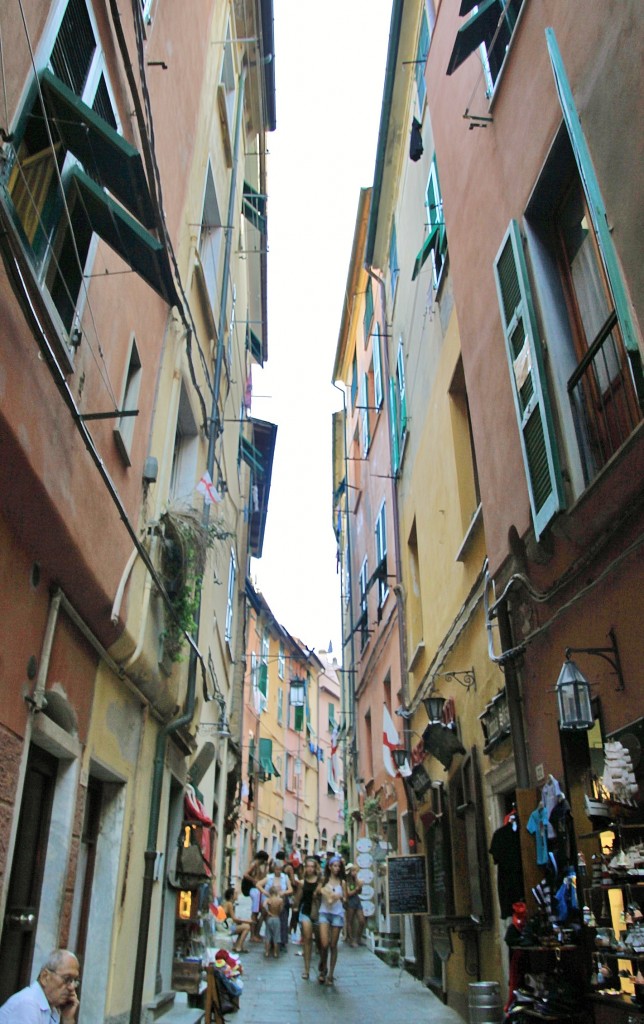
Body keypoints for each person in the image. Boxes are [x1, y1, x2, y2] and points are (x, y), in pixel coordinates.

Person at [0, 948, 80, 1023]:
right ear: (45, 977)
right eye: (67, 979)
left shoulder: (51, 1009)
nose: (72, 987)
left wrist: (68, 1019)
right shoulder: (28, 1004)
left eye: (75, 980)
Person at [316, 856, 346, 985]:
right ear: (329, 867)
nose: (337, 868)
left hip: (337, 914)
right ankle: (323, 967)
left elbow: (346, 900)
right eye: (334, 866)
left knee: (333, 945)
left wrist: (340, 897)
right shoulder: (324, 880)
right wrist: (323, 892)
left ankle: (331, 974)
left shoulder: (342, 882)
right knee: (324, 943)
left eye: (339, 866)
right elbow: (316, 893)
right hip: (324, 912)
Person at [257, 858, 293, 951]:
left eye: (280, 869)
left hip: (282, 902)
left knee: (283, 922)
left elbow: (290, 889)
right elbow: (258, 884)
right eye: (277, 869)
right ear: (274, 868)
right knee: (271, 922)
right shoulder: (269, 877)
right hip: (271, 903)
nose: (278, 871)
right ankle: (271, 942)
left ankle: (282, 942)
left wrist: (284, 892)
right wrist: (266, 893)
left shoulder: (285, 877)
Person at [297, 855, 322, 980]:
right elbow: (298, 898)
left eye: (312, 866)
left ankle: (322, 967)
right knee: (307, 939)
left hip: (318, 913)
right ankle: (306, 969)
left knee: (321, 942)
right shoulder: (302, 882)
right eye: (308, 866)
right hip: (305, 911)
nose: (310, 869)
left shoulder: (320, 881)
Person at [242, 849, 269, 941]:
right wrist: (254, 880)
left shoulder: (263, 865)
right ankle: (253, 935)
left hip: (259, 890)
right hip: (255, 890)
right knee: (255, 912)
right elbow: (245, 874)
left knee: (261, 912)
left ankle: (256, 933)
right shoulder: (255, 864)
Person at [222, 887, 252, 953]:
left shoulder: (230, 904)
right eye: (235, 893)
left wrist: (241, 921)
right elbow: (234, 919)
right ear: (231, 895)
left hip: (226, 926)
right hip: (225, 928)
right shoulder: (229, 904)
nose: (237, 895)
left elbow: (233, 919)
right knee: (247, 927)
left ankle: (237, 945)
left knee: (244, 926)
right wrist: (247, 921)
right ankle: (239, 947)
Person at [344, 863, 365, 947]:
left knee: (362, 920)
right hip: (350, 901)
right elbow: (348, 893)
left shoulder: (356, 880)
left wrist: (359, 886)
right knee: (350, 920)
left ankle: (358, 938)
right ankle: (351, 940)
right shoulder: (347, 881)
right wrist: (357, 888)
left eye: (356, 871)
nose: (355, 873)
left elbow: (359, 892)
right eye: (353, 871)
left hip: (357, 900)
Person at [263, 886, 283, 959]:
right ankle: (275, 952)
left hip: (270, 918)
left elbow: (264, 905)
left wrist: (268, 912)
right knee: (276, 936)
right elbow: (281, 909)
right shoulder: (280, 900)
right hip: (276, 918)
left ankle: (267, 952)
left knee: (268, 935)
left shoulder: (268, 899)